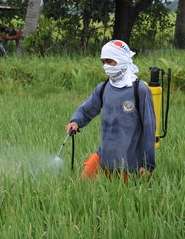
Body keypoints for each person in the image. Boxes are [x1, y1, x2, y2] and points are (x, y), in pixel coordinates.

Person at [65, 40, 156, 182]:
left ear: (121, 60)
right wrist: (75, 121)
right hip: (103, 156)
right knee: (81, 188)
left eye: (109, 61)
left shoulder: (140, 90)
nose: (105, 66)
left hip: (128, 162)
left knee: (119, 199)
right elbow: (87, 109)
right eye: (103, 62)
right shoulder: (103, 88)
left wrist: (148, 164)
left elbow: (149, 129)